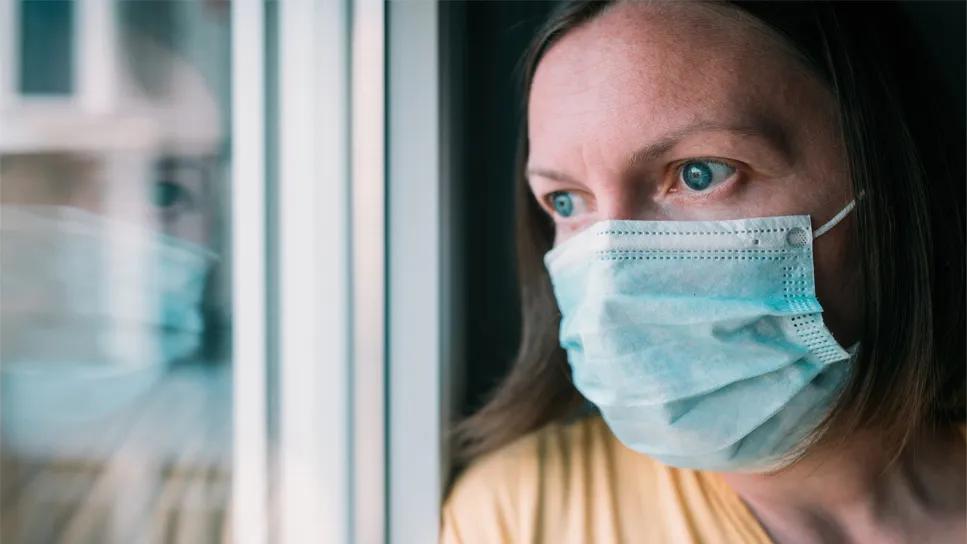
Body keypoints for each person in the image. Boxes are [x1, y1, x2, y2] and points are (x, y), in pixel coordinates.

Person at [441, 1, 965, 542]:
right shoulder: (517, 519)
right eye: (568, 202)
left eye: (699, 174)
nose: (613, 276)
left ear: (887, 178)